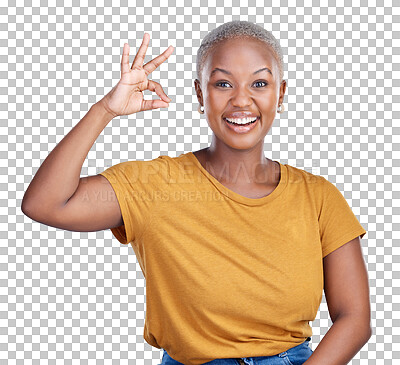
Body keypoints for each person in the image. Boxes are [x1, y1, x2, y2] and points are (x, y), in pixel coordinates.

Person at [21, 20, 372, 365]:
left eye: (259, 83)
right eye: (223, 84)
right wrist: (106, 110)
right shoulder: (155, 185)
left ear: (279, 94)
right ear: (200, 94)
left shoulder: (318, 197)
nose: (241, 101)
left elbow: (354, 318)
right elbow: (46, 203)